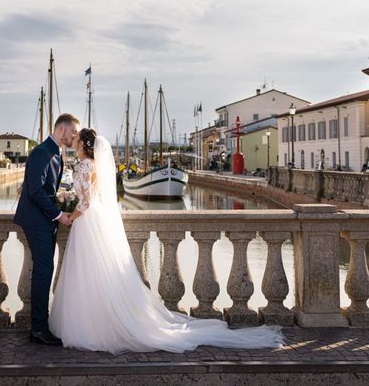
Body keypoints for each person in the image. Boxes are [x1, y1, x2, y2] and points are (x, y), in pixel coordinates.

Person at [49, 128, 284, 354]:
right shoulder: (94, 166)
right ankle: (99, 323)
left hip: (87, 221)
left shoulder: (83, 166)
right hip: (94, 221)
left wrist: (69, 216)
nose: (73, 140)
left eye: (76, 138)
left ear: (83, 145)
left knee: (86, 274)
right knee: (98, 274)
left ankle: (89, 325)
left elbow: (86, 201)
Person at [14, 113, 80, 346]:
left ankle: (40, 326)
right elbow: (35, 191)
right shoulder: (42, 152)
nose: (75, 136)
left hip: (44, 220)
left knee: (45, 271)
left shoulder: (55, 153)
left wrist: (62, 201)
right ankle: (39, 329)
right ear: (61, 130)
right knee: (43, 272)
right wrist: (58, 213)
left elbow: (46, 189)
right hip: (36, 220)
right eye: (73, 132)